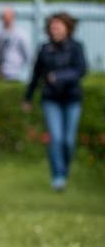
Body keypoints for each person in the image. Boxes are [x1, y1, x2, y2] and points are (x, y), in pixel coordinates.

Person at [23, 12, 87, 191]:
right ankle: (58, 176)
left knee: (68, 140)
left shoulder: (76, 48)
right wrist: (28, 98)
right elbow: (35, 76)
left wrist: (58, 77)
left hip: (72, 98)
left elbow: (81, 70)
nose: (55, 30)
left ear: (67, 28)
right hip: (51, 99)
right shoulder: (44, 49)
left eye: (58, 26)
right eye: (52, 27)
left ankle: (64, 170)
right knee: (56, 138)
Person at [0, 7, 29, 81]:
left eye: (9, 17)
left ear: (13, 18)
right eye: (4, 17)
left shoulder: (21, 34)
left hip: (17, 72)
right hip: (2, 71)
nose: (7, 20)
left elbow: (27, 54)